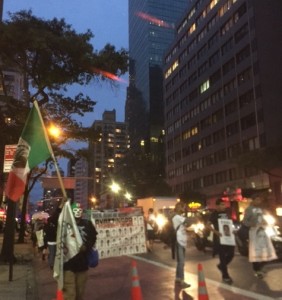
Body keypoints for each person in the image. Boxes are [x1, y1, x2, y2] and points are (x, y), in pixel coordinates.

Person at [63, 202, 98, 300]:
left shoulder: (87, 224)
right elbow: (53, 223)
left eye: (79, 210)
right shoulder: (65, 224)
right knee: (70, 294)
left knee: (80, 292)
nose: (78, 212)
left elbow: (93, 237)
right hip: (68, 263)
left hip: (82, 264)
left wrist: (87, 246)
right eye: (75, 210)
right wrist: (60, 207)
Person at [242, 194, 277, 279]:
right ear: (253, 200)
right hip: (254, 232)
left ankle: (260, 267)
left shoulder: (260, 209)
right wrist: (253, 224)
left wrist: (266, 222)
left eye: (259, 200)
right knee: (255, 251)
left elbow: (263, 218)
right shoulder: (249, 209)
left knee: (266, 251)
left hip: (263, 232)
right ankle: (257, 270)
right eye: (257, 200)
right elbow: (245, 221)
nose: (259, 201)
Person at [207, 198, 235, 284]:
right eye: (222, 204)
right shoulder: (214, 214)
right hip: (219, 238)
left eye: (224, 204)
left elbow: (230, 223)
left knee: (231, 254)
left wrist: (232, 229)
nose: (224, 206)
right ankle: (225, 276)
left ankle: (221, 266)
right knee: (222, 257)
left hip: (229, 237)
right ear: (217, 205)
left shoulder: (227, 213)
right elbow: (208, 225)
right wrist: (216, 232)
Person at [172, 202, 191, 288]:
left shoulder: (180, 217)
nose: (184, 209)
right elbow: (188, 222)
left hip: (182, 240)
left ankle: (177, 278)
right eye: (182, 207)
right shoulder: (177, 217)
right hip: (178, 240)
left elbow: (187, 225)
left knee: (180, 261)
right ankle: (182, 281)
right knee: (181, 262)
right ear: (179, 208)